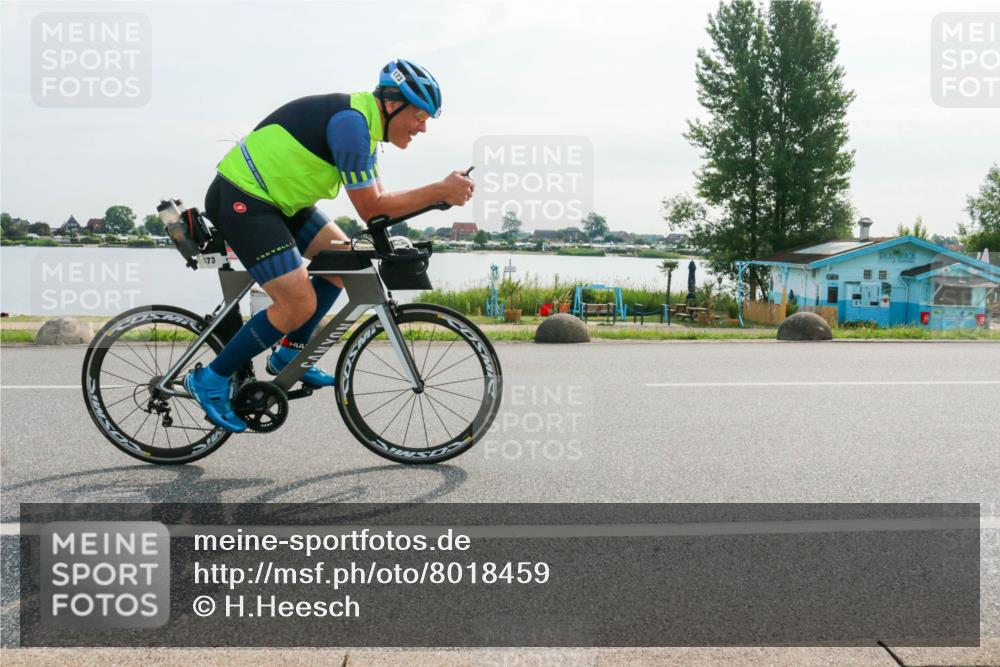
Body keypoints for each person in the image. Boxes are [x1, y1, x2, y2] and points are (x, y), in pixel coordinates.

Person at [186, 59, 474, 432]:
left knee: (345, 263)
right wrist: (438, 190)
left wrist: (439, 198)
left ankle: (290, 352)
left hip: (282, 202)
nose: (422, 127)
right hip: (244, 199)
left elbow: (381, 199)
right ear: (391, 105)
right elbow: (372, 208)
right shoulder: (351, 125)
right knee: (297, 302)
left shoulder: (365, 129)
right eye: (420, 115)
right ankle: (210, 378)